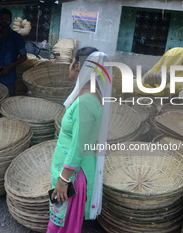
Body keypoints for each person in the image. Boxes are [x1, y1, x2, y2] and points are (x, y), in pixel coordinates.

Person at [47, 47, 112, 233]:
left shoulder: (85, 103)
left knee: (61, 226)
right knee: (64, 225)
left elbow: (77, 147)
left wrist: (63, 180)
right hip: (74, 173)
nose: (69, 67)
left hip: (73, 176)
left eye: (71, 62)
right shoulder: (90, 97)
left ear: (77, 66)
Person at [0, 8, 27, 96]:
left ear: (10, 21)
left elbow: (24, 56)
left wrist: (9, 66)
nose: (3, 20)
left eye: (6, 18)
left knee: (8, 103)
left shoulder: (17, 38)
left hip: (9, 79)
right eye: (1, 18)